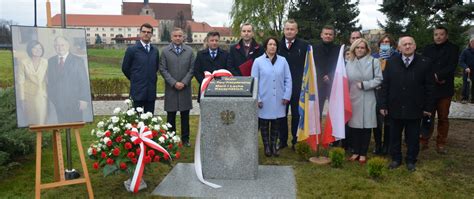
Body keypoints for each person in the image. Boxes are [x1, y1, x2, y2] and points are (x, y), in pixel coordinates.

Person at [380, 36, 434, 172]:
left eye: (410, 44)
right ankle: (396, 159)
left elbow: (430, 87)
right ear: (399, 48)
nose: (408, 46)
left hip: (415, 107)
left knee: (413, 137)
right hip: (395, 106)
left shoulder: (425, 62)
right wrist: (383, 105)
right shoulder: (391, 62)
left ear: (415, 46)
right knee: (394, 136)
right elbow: (385, 85)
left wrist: (428, 107)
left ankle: (411, 160)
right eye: (404, 44)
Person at [420, 26, 460, 154]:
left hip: (444, 89)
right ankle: (424, 140)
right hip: (430, 90)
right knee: (427, 116)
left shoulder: (453, 48)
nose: (438, 36)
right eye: (436, 34)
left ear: (446, 36)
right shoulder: (428, 49)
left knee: (443, 117)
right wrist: (432, 77)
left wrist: (439, 76)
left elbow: (452, 66)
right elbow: (424, 64)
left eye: (441, 34)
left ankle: (441, 143)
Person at [251, 37, 292, 157]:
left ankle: (274, 145)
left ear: (277, 47)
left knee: (276, 123)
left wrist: (286, 95)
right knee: (264, 124)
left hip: (279, 98)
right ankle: (267, 146)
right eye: (270, 44)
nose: (272, 46)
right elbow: (254, 81)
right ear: (266, 47)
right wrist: (257, 98)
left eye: (274, 44)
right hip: (264, 99)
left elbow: (288, 79)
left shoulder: (283, 61)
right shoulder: (258, 61)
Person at [346, 38, 382, 164]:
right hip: (353, 96)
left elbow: (379, 79)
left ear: (367, 49)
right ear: (354, 49)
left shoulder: (374, 61)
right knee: (355, 126)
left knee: (366, 126)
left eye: (362, 47)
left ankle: (363, 153)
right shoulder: (348, 62)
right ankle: (355, 151)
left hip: (368, 96)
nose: (360, 50)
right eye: (357, 47)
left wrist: (365, 84)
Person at [159, 27, 195, 147]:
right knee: (171, 116)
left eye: (180, 36)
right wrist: (174, 83)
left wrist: (184, 82)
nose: (178, 38)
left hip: (185, 88)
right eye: (175, 36)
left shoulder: (189, 51)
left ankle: (185, 139)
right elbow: (163, 69)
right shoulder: (165, 51)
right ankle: (171, 139)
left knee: (185, 116)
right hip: (171, 89)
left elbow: (192, 69)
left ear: (183, 37)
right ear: (171, 37)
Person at [277, 19, 308, 150]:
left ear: (296, 31)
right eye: (287, 29)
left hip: (297, 87)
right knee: (281, 115)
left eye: (292, 29)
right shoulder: (276, 45)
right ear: (284, 30)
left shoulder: (304, 45)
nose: (289, 31)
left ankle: (296, 140)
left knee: (296, 114)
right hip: (280, 87)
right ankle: (282, 140)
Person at [47, 36, 92, 123]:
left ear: (68, 46)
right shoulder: (50, 61)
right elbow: (50, 81)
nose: (59, 48)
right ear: (54, 47)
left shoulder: (78, 61)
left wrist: (83, 99)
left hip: (74, 101)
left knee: (75, 124)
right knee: (61, 124)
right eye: (57, 45)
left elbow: (83, 81)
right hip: (58, 101)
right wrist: (52, 97)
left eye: (62, 45)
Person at [122, 23, 159, 114]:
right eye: (144, 32)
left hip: (150, 92)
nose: (146, 34)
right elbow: (125, 68)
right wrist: (135, 78)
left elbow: (156, 67)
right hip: (137, 91)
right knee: (134, 122)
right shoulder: (132, 50)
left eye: (148, 32)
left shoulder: (155, 51)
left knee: (149, 122)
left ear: (151, 34)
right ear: (140, 33)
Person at [371, 35, 399, 155]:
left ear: (392, 44)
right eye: (383, 42)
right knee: (377, 120)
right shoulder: (374, 57)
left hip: (391, 91)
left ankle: (387, 145)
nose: (385, 44)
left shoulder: (397, 56)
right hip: (376, 91)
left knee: (389, 120)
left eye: (387, 42)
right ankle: (378, 145)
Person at [16, 40, 48, 126]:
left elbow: (49, 79)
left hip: (42, 95)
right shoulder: (23, 62)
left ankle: (41, 137)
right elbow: (20, 81)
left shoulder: (46, 62)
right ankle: (36, 138)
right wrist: (22, 99)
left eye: (40, 48)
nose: (38, 50)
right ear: (30, 49)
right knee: (31, 121)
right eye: (35, 48)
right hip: (28, 96)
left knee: (41, 120)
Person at [194, 31, 229, 102]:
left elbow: (228, 70)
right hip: (205, 89)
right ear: (207, 41)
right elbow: (196, 71)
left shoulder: (225, 54)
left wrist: (221, 83)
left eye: (216, 40)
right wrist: (204, 82)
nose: (214, 42)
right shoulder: (200, 54)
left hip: (221, 89)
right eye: (212, 40)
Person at [313, 25, 341, 115]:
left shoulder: (339, 49)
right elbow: (313, 65)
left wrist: (330, 76)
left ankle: (334, 130)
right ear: (321, 35)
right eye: (326, 34)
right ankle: (317, 129)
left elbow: (340, 65)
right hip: (318, 84)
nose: (328, 36)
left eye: (330, 34)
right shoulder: (314, 49)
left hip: (334, 84)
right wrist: (322, 76)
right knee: (317, 112)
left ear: (333, 36)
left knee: (335, 112)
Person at [459, 37, 474, 103]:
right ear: (470, 43)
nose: (473, 43)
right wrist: (466, 67)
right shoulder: (465, 51)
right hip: (467, 71)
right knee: (466, 85)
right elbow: (461, 61)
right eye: (472, 42)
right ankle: (464, 98)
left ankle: (473, 100)